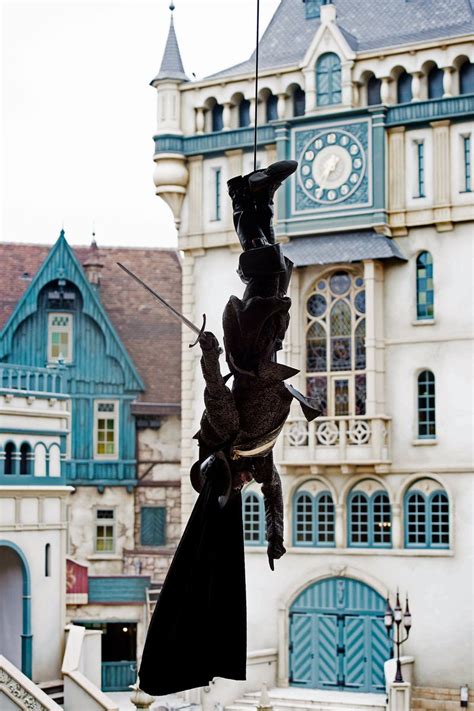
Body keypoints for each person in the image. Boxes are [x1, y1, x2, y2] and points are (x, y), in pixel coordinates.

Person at [138, 160, 320, 696]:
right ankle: (253, 201)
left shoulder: (229, 438)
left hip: (247, 351)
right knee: (277, 271)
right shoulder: (256, 460)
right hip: (269, 355)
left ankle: (246, 200)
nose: (240, 487)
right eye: (236, 487)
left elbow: (216, 391)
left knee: (265, 272)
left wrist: (212, 354)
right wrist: (275, 534)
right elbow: (275, 488)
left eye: (230, 485)